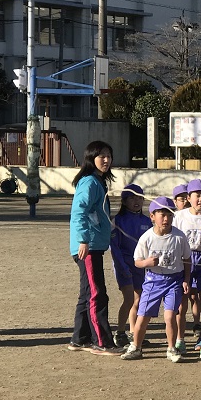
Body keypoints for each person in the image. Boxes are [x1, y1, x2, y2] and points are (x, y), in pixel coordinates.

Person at [68, 140, 123, 355]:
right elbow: (79, 212)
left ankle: (79, 338)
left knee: (87, 293)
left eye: (109, 156)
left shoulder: (97, 182)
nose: (106, 160)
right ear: (91, 158)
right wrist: (83, 240)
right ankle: (102, 342)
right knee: (96, 294)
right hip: (88, 247)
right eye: (101, 156)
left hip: (94, 245)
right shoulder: (89, 182)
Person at [121, 196, 191, 362]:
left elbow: (187, 259)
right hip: (153, 281)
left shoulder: (179, 237)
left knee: (170, 316)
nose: (166, 219)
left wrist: (186, 279)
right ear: (152, 216)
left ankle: (172, 348)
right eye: (162, 215)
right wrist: (147, 263)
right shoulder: (147, 237)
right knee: (143, 315)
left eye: (169, 215)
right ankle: (136, 347)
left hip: (174, 281)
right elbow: (137, 261)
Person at [173, 178, 201, 361]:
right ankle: (180, 340)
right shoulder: (179, 217)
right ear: (189, 197)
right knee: (181, 305)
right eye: (197, 195)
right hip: (184, 262)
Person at [109, 184, 152, 348]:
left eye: (140, 198)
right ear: (124, 201)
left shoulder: (147, 221)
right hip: (124, 264)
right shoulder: (118, 221)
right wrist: (122, 267)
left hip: (140, 266)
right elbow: (115, 248)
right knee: (129, 299)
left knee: (139, 300)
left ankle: (135, 333)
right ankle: (120, 332)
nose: (137, 201)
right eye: (132, 198)